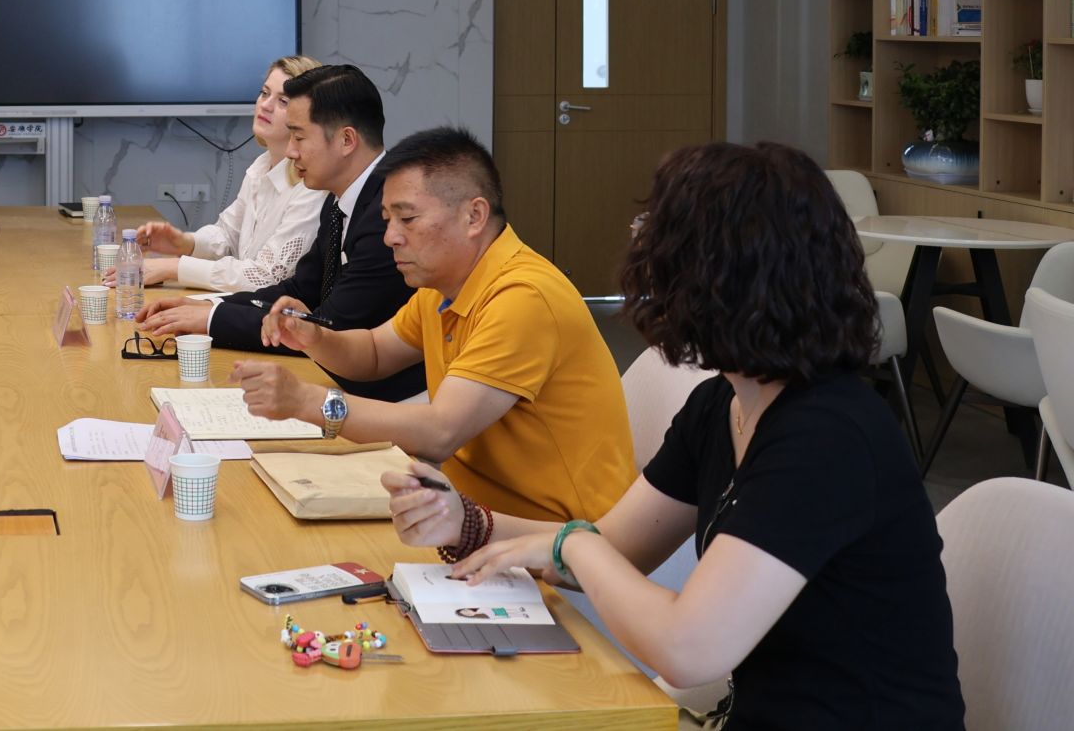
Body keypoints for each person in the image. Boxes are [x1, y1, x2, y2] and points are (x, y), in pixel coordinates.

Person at [383, 142, 964, 727]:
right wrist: (465, 522)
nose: (643, 256)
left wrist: (572, 544)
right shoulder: (724, 405)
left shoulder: (827, 438)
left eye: (658, 238)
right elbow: (618, 545)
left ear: (726, 272)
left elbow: (688, 650)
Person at [232, 126, 633, 524]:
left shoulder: (522, 297)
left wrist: (307, 401)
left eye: (407, 218)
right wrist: (315, 337)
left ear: (474, 216)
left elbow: (441, 432)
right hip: (466, 509)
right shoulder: (445, 285)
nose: (390, 237)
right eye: (387, 219)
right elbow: (374, 353)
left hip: (556, 538)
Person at [138, 64, 423, 403]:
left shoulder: (386, 213)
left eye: (299, 137)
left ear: (347, 140)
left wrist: (212, 318)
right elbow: (300, 288)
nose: (290, 151)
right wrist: (210, 306)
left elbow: (330, 326)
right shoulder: (340, 200)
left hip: (390, 400)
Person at [133, 54, 325, 292]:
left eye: (283, 101)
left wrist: (175, 267)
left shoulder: (312, 185)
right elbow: (227, 236)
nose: (265, 105)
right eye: (264, 93)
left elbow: (267, 276)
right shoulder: (261, 166)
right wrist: (185, 243)